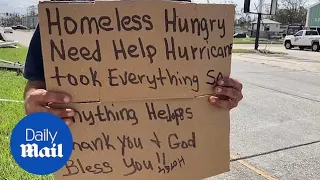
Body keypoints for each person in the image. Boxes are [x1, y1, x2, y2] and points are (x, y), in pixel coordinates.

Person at [23, 0, 243, 126]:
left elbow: (201, 83)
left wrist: (224, 95)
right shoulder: (65, 9)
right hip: (89, 163)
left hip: (171, 159)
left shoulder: (181, 10)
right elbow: (37, 80)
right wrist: (33, 102)